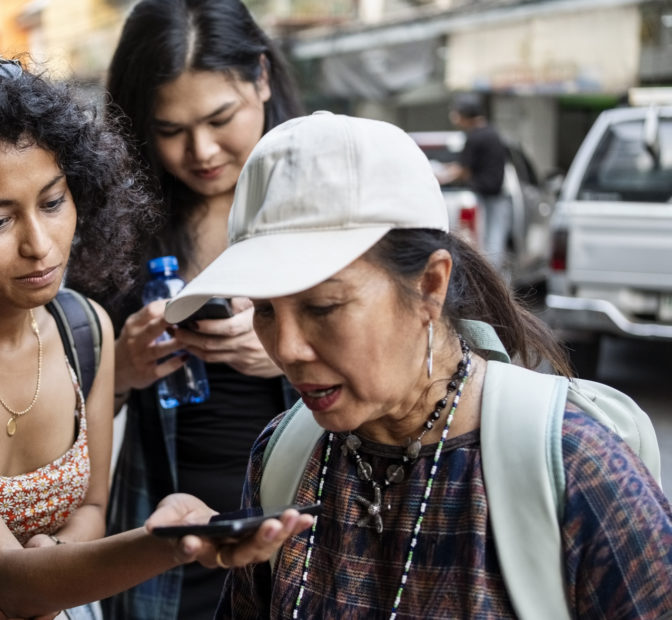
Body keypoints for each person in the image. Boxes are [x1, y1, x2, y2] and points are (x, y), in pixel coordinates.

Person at [0, 55, 313, 620]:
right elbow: (10, 579)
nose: (40, 245)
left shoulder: (85, 329)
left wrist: (59, 554)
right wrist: (170, 542)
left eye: (53, 203)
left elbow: (92, 508)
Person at [162, 112, 672, 618]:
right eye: (266, 309)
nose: (288, 347)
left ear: (430, 286)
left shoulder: (577, 467)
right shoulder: (282, 458)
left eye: (324, 307)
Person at [68, 1, 302, 617]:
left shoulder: (323, 205)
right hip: (168, 543)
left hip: (310, 531)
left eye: (220, 118)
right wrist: (120, 369)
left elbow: (418, 364)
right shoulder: (120, 230)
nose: (201, 150)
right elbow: (54, 416)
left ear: (262, 77)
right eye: (169, 130)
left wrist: (289, 351)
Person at [437, 93, 511, 273]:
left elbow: (464, 170)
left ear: (464, 114)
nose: (454, 118)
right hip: (496, 196)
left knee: (486, 247)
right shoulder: (492, 132)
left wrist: (440, 178)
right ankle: (494, 284)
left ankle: (488, 283)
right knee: (495, 245)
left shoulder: (475, 137)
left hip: (483, 198)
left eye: (456, 113)